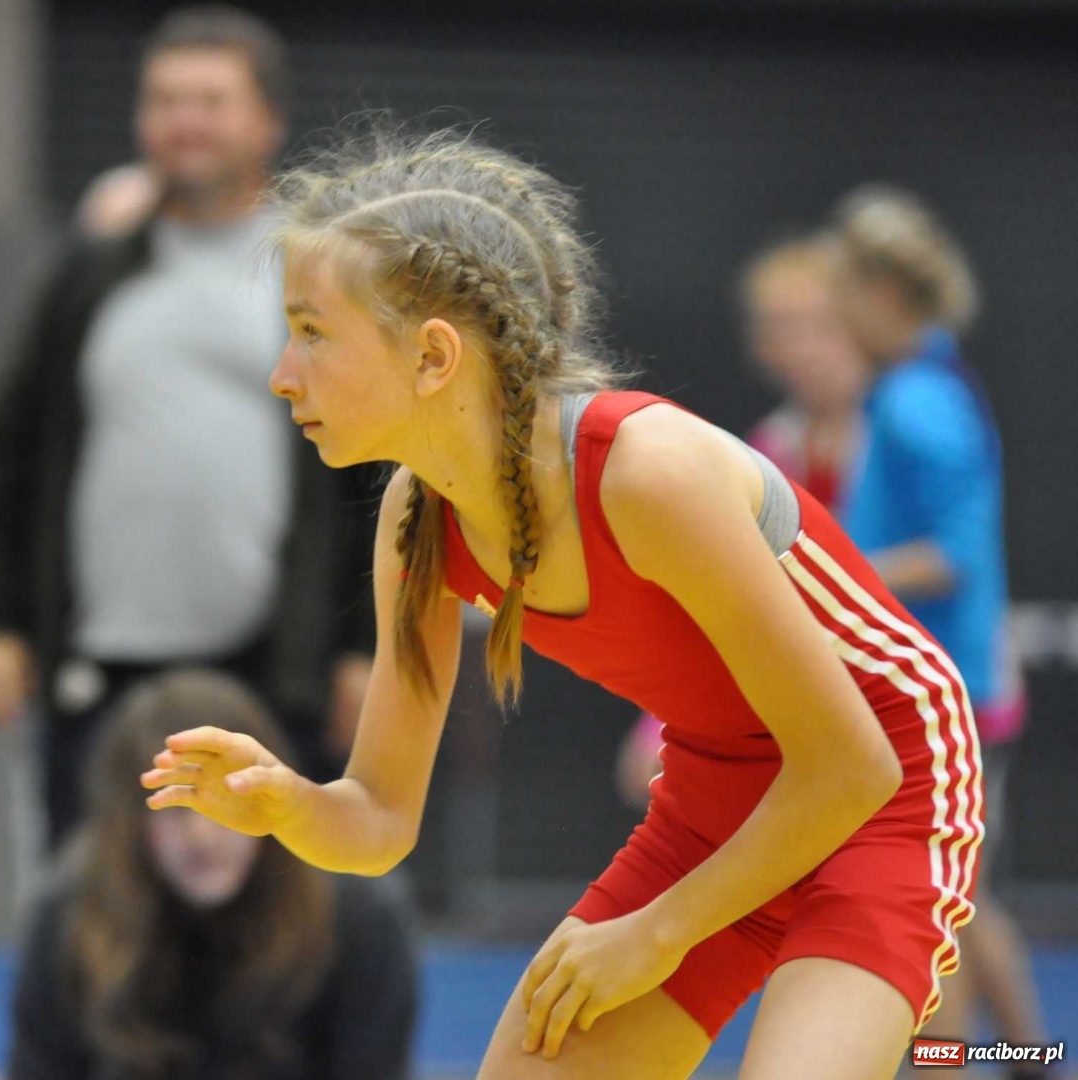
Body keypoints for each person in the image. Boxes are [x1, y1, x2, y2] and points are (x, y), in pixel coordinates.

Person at [141, 128, 982, 1080]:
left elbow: (851, 766)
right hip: (719, 804)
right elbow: (378, 817)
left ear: (432, 357)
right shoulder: (417, 523)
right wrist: (289, 806)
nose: (282, 372)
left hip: (880, 789)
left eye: (312, 331)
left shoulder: (646, 474)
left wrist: (657, 933)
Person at [0, 4, 377, 849]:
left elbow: (365, 475)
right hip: (97, 666)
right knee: (94, 915)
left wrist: (362, 648)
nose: (185, 122)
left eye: (211, 101)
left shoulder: (315, 273)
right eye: (165, 100)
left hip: (270, 667)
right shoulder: (87, 273)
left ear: (268, 120)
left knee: (258, 923)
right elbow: (11, 451)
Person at [831, 185, 1050, 1079]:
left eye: (845, 293)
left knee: (937, 910)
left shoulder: (915, 399)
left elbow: (953, 552)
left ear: (884, 295)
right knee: (966, 899)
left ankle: (940, 1068)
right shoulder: (931, 382)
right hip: (961, 687)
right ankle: (1037, 1060)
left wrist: (834, 572)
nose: (837, 313)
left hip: (945, 695)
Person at [11, 668, 417, 1080]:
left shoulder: (356, 917)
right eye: (173, 810)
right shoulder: (70, 912)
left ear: (273, 800)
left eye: (227, 804)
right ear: (127, 826)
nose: (202, 837)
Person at [615, 234, 868, 807]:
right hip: (806, 691)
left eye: (815, 324)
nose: (797, 347)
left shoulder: (899, 429)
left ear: (861, 322)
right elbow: (720, 595)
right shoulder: (770, 447)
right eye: (778, 328)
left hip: (911, 686)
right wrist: (658, 723)